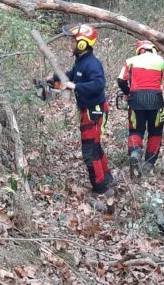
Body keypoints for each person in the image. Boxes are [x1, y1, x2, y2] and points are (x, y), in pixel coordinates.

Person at [47, 24, 115, 211]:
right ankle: (107, 178)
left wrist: (76, 87)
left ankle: (100, 186)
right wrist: (54, 79)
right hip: (88, 109)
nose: (71, 43)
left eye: (74, 40)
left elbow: (98, 83)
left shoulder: (92, 63)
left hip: (95, 111)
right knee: (95, 146)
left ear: (84, 43)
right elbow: (71, 75)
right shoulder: (81, 61)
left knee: (89, 151)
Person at [117, 40, 164, 178]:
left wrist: (128, 92)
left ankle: (135, 151)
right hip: (156, 100)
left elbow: (120, 80)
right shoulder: (161, 61)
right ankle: (149, 164)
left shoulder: (130, 61)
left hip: (136, 100)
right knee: (155, 132)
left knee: (136, 130)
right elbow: (160, 81)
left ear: (139, 50)